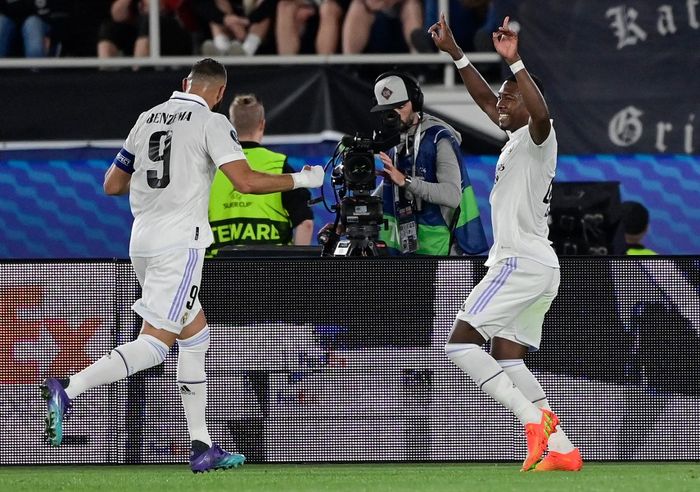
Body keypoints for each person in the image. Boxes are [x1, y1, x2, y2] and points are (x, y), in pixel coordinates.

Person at [40, 58, 324, 473]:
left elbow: (111, 185)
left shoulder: (147, 118)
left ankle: (202, 445)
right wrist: (304, 180)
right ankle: (69, 388)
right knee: (157, 345)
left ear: (185, 82)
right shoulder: (211, 122)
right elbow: (245, 181)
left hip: (143, 241)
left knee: (196, 338)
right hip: (181, 245)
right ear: (219, 93)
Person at [430, 14, 582, 471]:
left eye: (508, 97)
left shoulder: (540, 137)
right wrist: (457, 53)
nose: (500, 103)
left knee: (459, 345)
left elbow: (540, 112)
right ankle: (563, 451)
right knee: (507, 358)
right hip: (539, 266)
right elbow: (484, 98)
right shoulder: (514, 138)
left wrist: (517, 64)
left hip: (519, 263)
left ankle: (531, 421)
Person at [373, 71, 487, 256]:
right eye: (387, 110)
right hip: (410, 252)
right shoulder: (393, 143)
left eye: (401, 106)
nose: (394, 114)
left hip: (448, 253)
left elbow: (452, 196)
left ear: (416, 103)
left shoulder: (439, 139)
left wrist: (405, 181)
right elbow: (392, 188)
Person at [207, 93, 315, 255]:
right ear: (262, 125)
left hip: (217, 273)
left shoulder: (212, 167)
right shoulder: (280, 166)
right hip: (272, 273)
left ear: (230, 125)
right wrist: (296, 269)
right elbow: (305, 223)